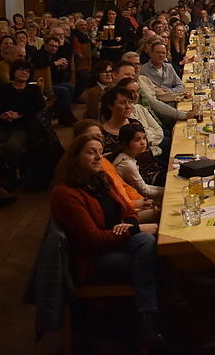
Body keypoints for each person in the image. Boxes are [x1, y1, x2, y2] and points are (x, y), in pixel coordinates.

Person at [49, 135, 166, 348]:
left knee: (148, 244)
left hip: (118, 239)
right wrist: (135, 229)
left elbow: (127, 209)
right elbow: (94, 239)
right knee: (153, 255)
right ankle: (151, 320)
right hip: (93, 257)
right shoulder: (65, 194)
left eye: (100, 152)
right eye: (91, 152)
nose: (98, 157)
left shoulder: (100, 178)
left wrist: (130, 225)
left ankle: (149, 315)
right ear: (74, 157)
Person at [0, 60, 45, 185]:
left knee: (13, 145)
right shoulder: (4, 88)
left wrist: (19, 114)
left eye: (27, 71)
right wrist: (2, 114)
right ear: (13, 71)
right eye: (21, 69)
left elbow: (39, 105)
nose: (24, 73)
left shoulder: (33, 89)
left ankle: (13, 173)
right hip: (3, 126)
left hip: (23, 127)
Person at [109, 122, 163, 202]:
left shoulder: (127, 157)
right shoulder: (127, 164)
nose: (143, 142)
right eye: (137, 140)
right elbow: (145, 191)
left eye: (144, 138)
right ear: (125, 143)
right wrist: (167, 191)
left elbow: (145, 187)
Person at [32, 36, 76, 125]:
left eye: (56, 46)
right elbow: (40, 65)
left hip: (53, 82)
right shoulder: (38, 54)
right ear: (45, 45)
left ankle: (60, 114)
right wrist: (55, 64)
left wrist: (62, 69)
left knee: (70, 87)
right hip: (42, 84)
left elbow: (58, 78)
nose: (54, 48)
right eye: (52, 46)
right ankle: (66, 118)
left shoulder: (55, 56)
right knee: (64, 90)